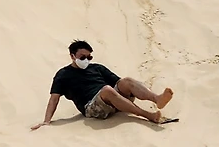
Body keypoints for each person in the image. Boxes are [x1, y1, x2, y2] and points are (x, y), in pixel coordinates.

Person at [34, 40, 176, 128]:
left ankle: (157, 99)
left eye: (89, 57)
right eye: (82, 57)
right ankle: (148, 115)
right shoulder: (63, 75)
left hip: (113, 100)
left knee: (127, 81)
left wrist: (125, 88)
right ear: (72, 56)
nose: (86, 60)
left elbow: (120, 83)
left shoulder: (97, 68)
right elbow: (54, 99)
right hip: (92, 108)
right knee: (107, 90)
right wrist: (46, 121)